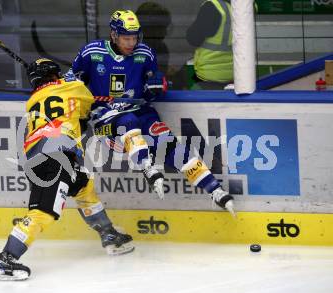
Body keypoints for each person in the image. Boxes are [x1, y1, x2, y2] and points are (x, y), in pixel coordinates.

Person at [69, 10, 235, 214]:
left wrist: (155, 87)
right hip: (106, 123)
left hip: (141, 113)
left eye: (134, 37)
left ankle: (215, 190)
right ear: (113, 35)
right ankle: (147, 167)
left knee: (168, 142)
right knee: (127, 120)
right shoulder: (91, 52)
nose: (131, 43)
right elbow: (71, 83)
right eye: (126, 38)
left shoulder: (145, 54)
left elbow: (149, 92)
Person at [0, 58, 134, 281]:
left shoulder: (33, 100)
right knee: (45, 211)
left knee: (84, 186)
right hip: (55, 158)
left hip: (42, 157)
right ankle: (6, 259)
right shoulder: (72, 87)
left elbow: (72, 116)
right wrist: (78, 81)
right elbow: (87, 109)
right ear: (55, 75)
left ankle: (109, 234)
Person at [186, 0, 233, 90]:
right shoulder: (242, 6)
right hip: (237, 74)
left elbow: (193, 39)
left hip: (210, 75)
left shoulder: (212, 7)